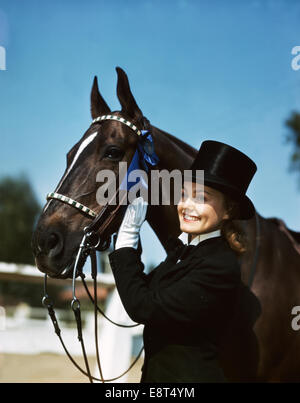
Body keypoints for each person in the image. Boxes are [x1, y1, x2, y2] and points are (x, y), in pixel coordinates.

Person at [108, 140, 258, 383]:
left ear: (229, 210)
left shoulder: (219, 266)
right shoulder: (182, 252)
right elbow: (142, 288)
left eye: (201, 198)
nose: (187, 205)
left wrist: (127, 241)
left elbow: (144, 307)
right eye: (183, 195)